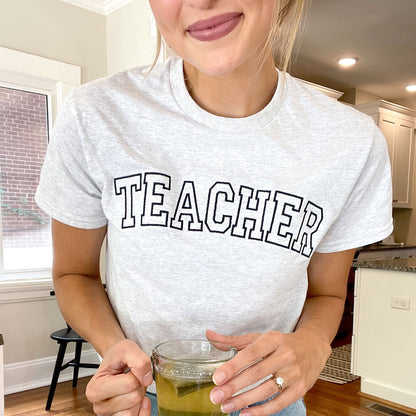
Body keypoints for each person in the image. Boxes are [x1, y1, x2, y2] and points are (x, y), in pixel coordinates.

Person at [35, 1, 393, 415]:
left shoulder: (351, 143)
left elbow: (327, 293)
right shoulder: (95, 115)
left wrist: (313, 344)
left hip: (270, 401)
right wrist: (114, 349)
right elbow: (72, 273)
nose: (201, 1)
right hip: (145, 401)